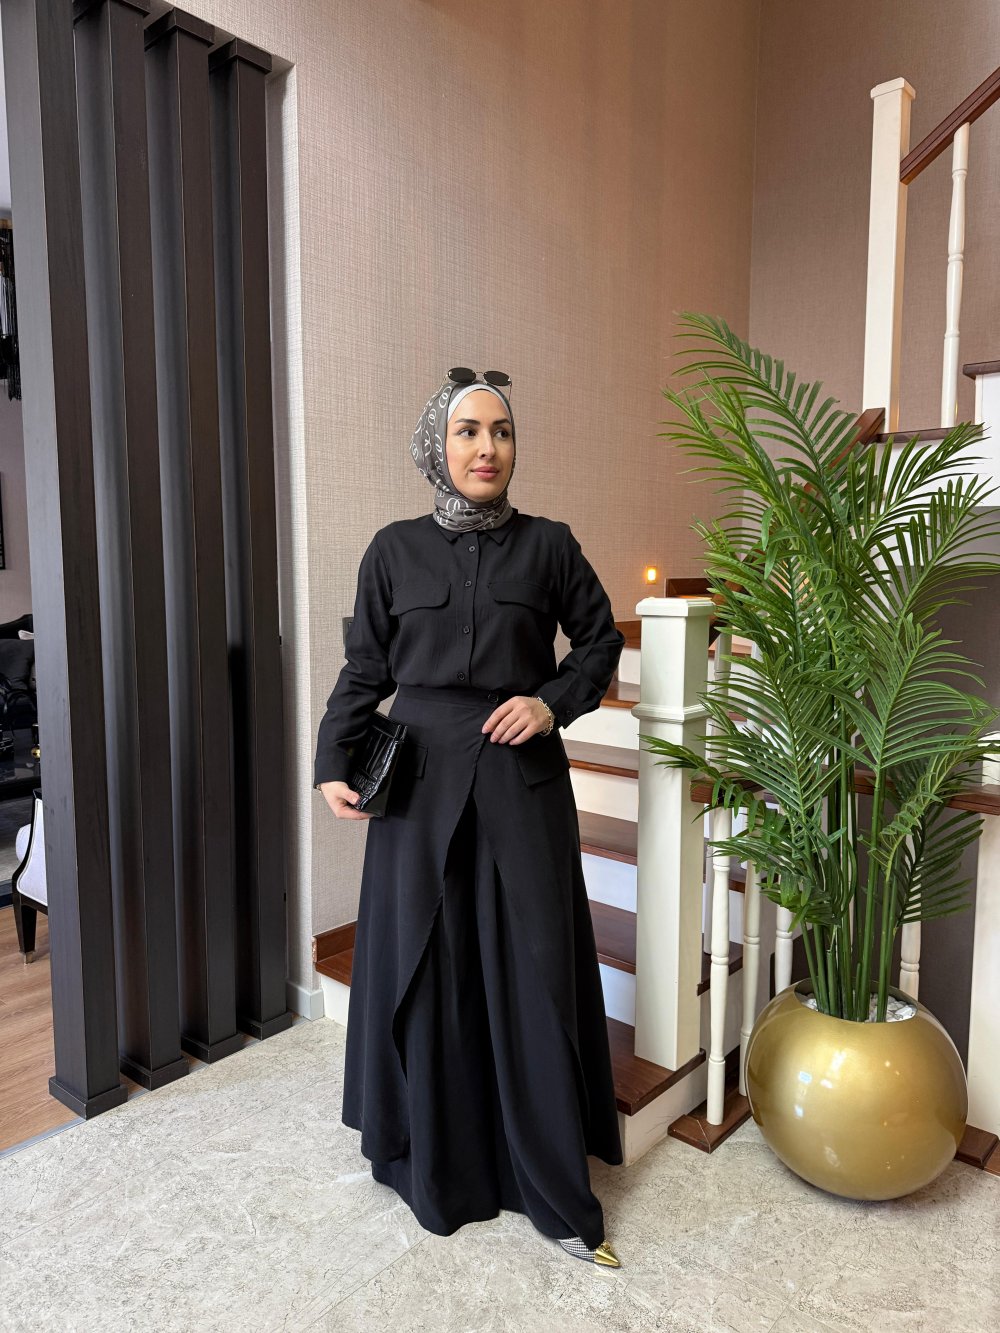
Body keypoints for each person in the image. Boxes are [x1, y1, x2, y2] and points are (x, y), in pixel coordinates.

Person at [314, 368, 627, 1267]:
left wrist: (550, 703)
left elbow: (600, 639)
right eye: (468, 432)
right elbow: (366, 668)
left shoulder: (550, 545)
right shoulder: (393, 549)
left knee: (532, 967)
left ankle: (546, 1180)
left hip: (521, 782)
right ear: (437, 447)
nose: (487, 448)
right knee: (425, 966)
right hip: (417, 788)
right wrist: (332, 759)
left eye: (501, 431)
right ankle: (434, 1163)